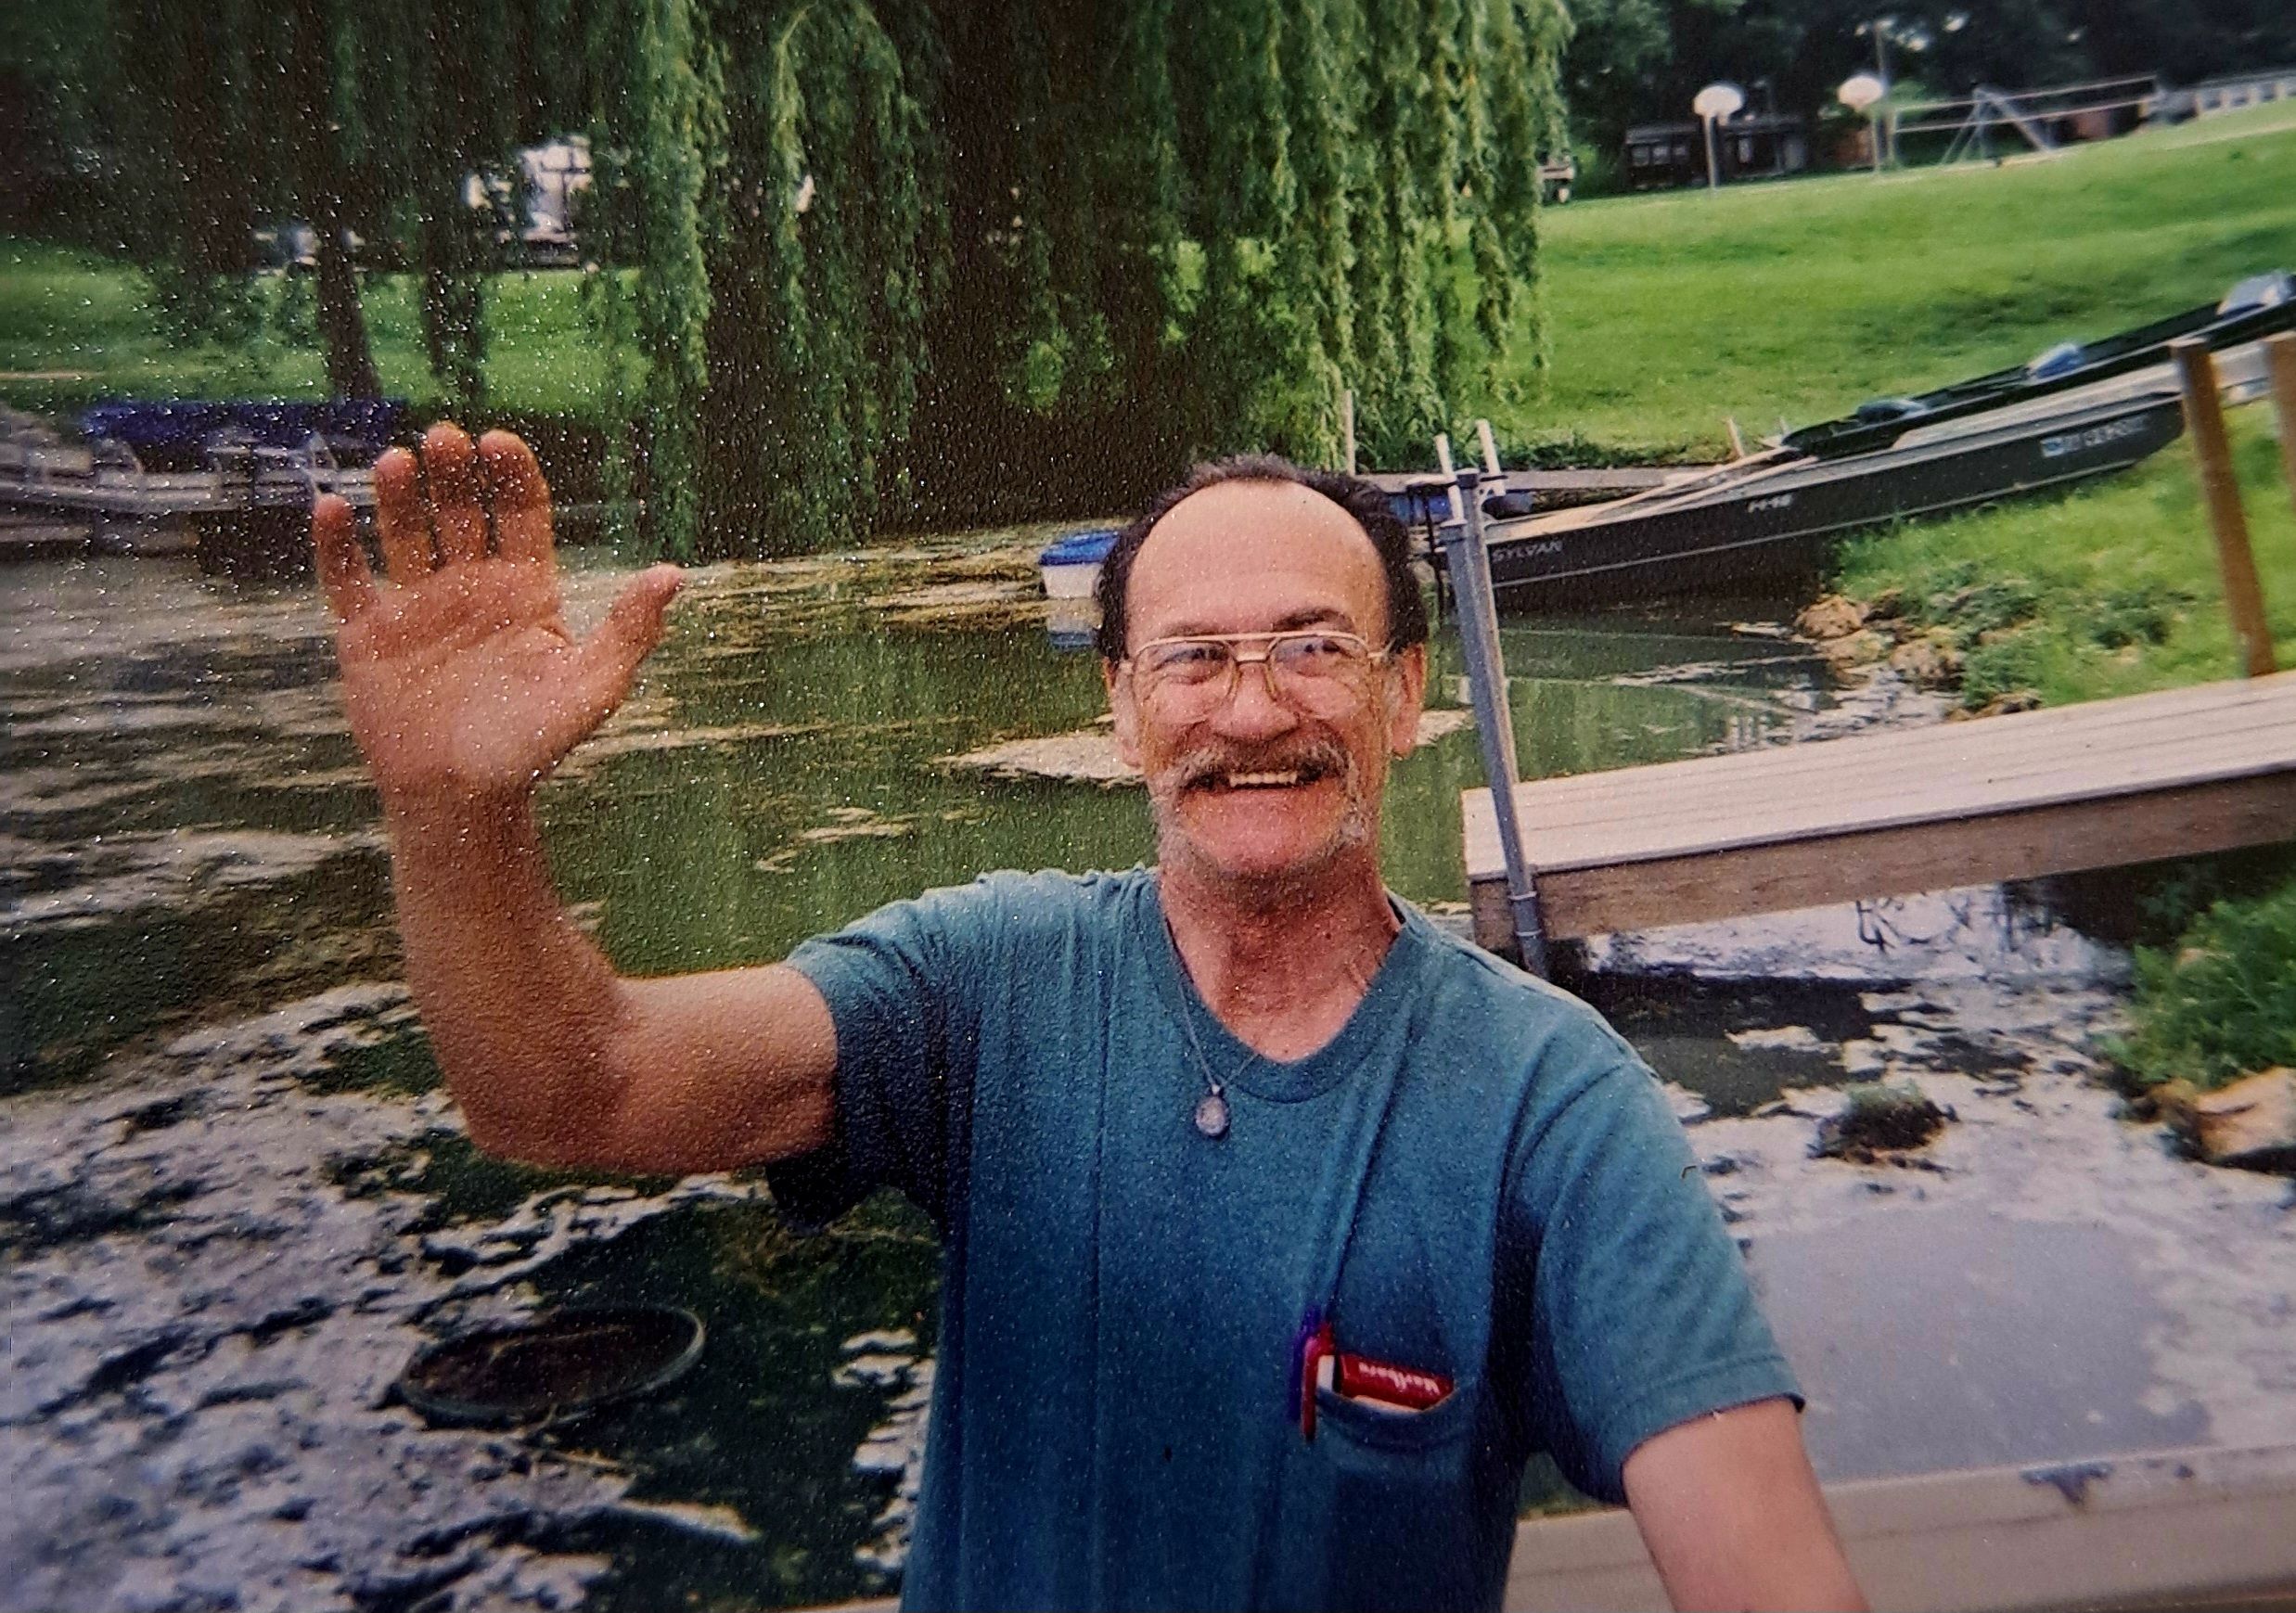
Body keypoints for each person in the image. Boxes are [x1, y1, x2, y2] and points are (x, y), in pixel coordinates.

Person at [313, 423, 1866, 1613]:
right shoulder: (983, 990)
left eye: (1312, 648)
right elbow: (570, 1090)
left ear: (1403, 697)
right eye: (1193, 658)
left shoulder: (1550, 1103)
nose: (1251, 710)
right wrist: (454, 815)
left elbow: (1758, 1549)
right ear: (1120, 705)